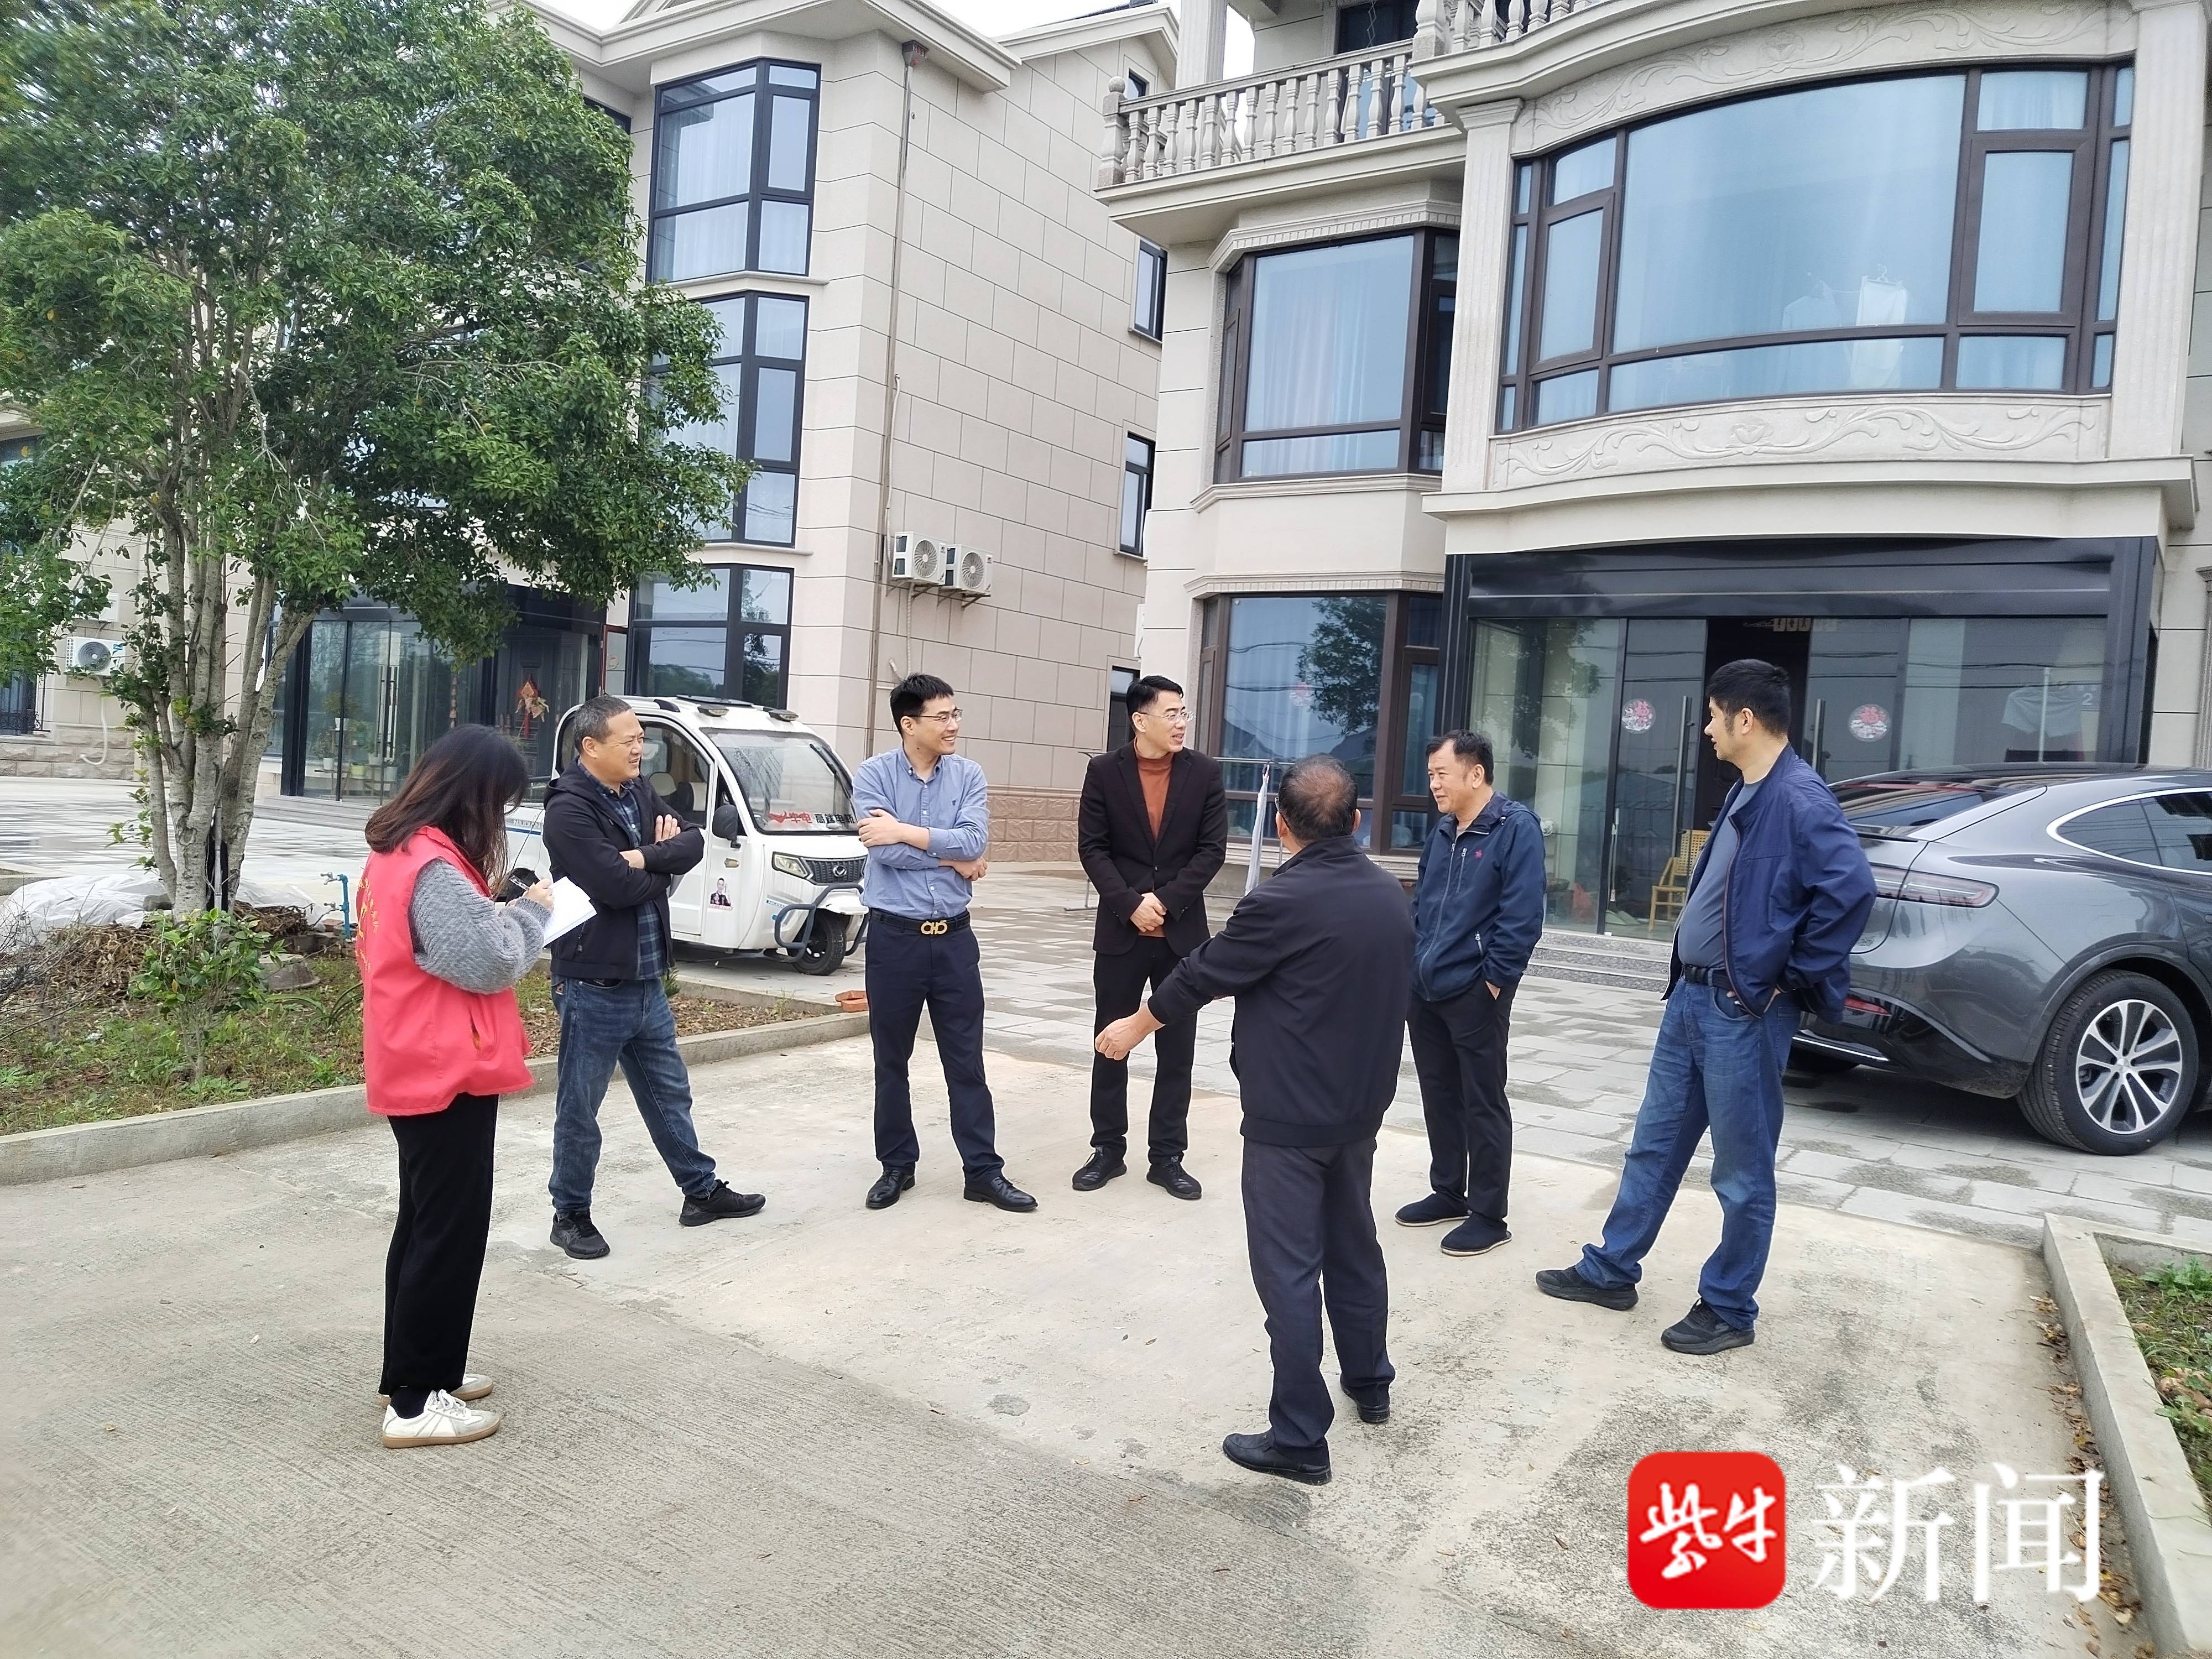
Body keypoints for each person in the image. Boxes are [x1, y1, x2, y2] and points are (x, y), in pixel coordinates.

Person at [1536, 659, 1874, 1353]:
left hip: (1740, 1010)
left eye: (1715, 717)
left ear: (1745, 719)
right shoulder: (1747, 790)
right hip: (1691, 999)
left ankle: (1728, 1307)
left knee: (1741, 1172)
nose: (1708, 731)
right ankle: (1611, 1270)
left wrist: (1788, 977)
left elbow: (1851, 890)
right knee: (1654, 1144)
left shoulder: (1799, 799)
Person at [1097, 755, 1411, 1485]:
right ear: (1355, 821)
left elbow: (1202, 974)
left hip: (1289, 1117)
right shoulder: (1390, 894)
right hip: (1358, 1110)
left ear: (1282, 828)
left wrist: (1133, 1027)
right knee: (1354, 1248)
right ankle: (1370, 1383)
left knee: (1289, 1274)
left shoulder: (1280, 901)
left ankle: (1300, 1437)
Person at [358, 726, 554, 1448]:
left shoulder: (400, 850)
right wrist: (534, 912)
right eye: (499, 803)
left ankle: (419, 1370)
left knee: (426, 1223)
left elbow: (445, 944)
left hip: (417, 1057)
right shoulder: (433, 864)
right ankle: (416, 1402)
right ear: (473, 796)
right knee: (448, 1230)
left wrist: (496, 909)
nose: (498, 818)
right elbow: (486, 961)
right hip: (443, 1067)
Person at [541, 694, 763, 1260]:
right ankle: (570, 1214)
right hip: (593, 985)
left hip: (645, 979)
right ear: (591, 747)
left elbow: (692, 842)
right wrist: (659, 859)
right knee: (580, 1110)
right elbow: (613, 888)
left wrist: (643, 857)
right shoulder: (568, 811)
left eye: (643, 738)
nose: (641, 749)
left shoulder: (637, 790)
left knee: (670, 1094)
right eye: (630, 740)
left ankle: (700, 1192)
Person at [853, 673, 1036, 1214]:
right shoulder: (874, 775)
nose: (954, 725)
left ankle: (983, 1171)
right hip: (894, 940)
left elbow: (974, 841)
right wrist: (953, 860)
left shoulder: (968, 775)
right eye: (942, 717)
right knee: (892, 1060)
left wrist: (907, 832)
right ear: (909, 724)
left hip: (954, 941)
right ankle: (896, 1166)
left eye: (956, 714)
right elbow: (882, 852)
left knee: (966, 1062)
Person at [1073, 675, 1228, 1199]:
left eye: (1185, 713)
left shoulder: (1204, 772)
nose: (1182, 722)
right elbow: (1093, 848)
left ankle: (1167, 1157)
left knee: (1177, 1050)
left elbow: (1211, 851)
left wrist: (1163, 902)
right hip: (1121, 932)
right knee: (1110, 1042)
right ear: (1141, 721)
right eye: (1172, 713)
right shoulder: (1104, 771)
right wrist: (1129, 904)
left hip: (1181, 935)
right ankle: (1107, 1150)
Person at [1397, 729, 1545, 1257]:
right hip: (1425, 987)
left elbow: (1522, 916)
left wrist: (1493, 982)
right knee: (1439, 1093)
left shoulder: (1515, 828)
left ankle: (1488, 1214)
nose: (1434, 784)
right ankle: (1448, 1191)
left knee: (1483, 1100)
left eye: (1442, 773)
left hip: (1476, 991)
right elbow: (1422, 905)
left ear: (1476, 773)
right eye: (1431, 775)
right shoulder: (1443, 831)